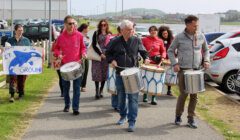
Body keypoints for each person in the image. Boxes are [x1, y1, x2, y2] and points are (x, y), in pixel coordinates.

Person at [106, 20, 150, 132]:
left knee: (133, 98)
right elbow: (107, 53)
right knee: (121, 97)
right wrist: (112, 60)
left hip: (133, 73)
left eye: (132, 29)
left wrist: (146, 58)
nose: (132, 31)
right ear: (122, 30)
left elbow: (143, 51)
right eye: (129, 29)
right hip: (120, 72)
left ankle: (132, 121)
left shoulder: (136, 40)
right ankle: (122, 116)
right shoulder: (115, 41)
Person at [167, 15, 210, 128]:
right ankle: (178, 116)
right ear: (187, 25)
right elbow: (170, 51)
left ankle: (191, 118)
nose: (197, 27)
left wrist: (206, 60)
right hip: (183, 70)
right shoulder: (179, 37)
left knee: (194, 96)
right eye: (194, 25)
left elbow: (206, 50)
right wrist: (174, 63)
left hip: (196, 70)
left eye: (197, 25)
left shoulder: (201, 36)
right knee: (183, 94)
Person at [54, 15, 86, 115]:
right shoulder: (61, 37)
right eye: (70, 23)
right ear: (65, 24)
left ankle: (75, 108)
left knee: (77, 88)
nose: (72, 25)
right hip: (65, 66)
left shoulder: (79, 35)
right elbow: (56, 48)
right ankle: (67, 105)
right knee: (66, 88)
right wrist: (58, 54)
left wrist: (84, 53)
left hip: (77, 65)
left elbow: (83, 48)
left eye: (73, 23)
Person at [142, 25, 166, 105]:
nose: (153, 32)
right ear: (149, 32)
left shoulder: (160, 41)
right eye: (151, 30)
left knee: (155, 79)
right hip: (147, 62)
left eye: (155, 30)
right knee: (146, 78)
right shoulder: (144, 39)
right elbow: (141, 49)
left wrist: (163, 57)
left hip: (157, 62)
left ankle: (153, 97)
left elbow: (163, 51)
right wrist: (145, 56)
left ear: (157, 31)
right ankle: (145, 94)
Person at [7, 24, 31, 102]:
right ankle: (12, 95)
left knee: (21, 79)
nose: (20, 32)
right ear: (15, 31)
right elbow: (6, 52)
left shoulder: (26, 41)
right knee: (12, 79)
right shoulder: (9, 41)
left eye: (22, 30)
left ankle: (21, 94)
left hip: (22, 64)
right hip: (13, 64)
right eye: (19, 30)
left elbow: (29, 51)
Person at [91, 19, 112, 99]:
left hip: (106, 56)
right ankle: (96, 90)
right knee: (96, 72)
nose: (103, 26)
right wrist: (100, 54)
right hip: (97, 55)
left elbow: (111, 44)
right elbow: (94, 45)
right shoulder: (96, 33)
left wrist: (107, 54)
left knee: (104, 73)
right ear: (99, 25)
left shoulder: (109, 34)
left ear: (107, 25)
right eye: (101, 25)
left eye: (104, 25)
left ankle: (101, 90)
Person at [158, 25, 174, 96]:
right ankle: (158, 88)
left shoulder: (172, 39)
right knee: (160, 75)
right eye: (163, 34)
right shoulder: (159, 40)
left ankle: (169, 90)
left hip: (169, 59)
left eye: (166, 33)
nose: (165, 35)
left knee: (169, 74)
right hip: (162, 59)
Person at [78, 23, 90, 92]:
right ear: (84, 28)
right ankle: (78, 84)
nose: (88, 29)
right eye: (88, 28)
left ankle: (83, 86)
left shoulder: (87, 36)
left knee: (86, 70)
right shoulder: (79, 35)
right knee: (81, 71)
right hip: (80, 56)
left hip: (86, 56)